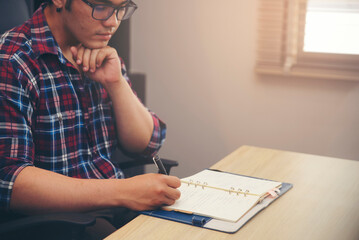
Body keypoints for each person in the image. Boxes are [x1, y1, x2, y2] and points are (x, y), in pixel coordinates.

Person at [0, 0, 181, 238]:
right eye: (101, 6)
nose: (112, 22)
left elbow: (148, 144)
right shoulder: (13, 60)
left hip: (116, 207)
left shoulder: (97, 49)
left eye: (120, 9)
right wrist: (124, 191)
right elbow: (10, 180)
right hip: (62, 223)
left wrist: (116, 83)